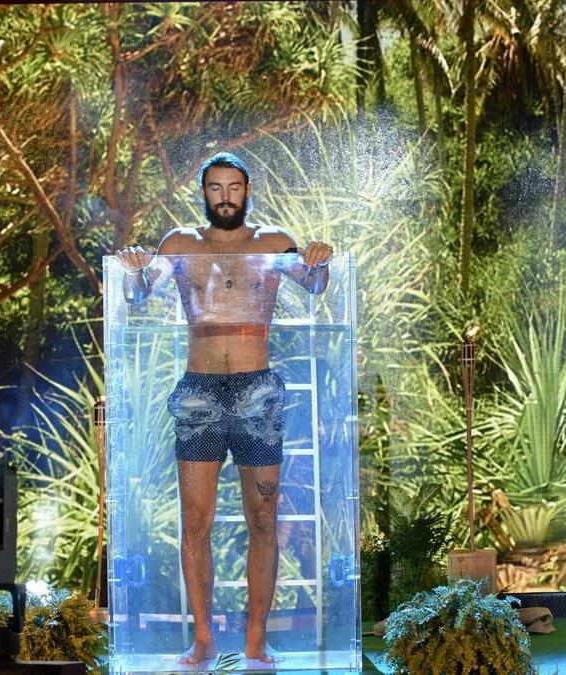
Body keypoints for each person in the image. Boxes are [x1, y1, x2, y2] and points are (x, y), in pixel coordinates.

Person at [114, 152, 334, 665]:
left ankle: (257, 639)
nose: (225, 197)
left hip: (258, 392)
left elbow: (315, 284)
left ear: (247, 190)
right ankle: (203, 640)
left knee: (263, 518)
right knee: (195, 521)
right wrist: (134, 271)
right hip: (200, 392)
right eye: (216, 188)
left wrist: (319, 261)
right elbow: (140, 292)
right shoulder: (180, 243)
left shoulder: (273, 242)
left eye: (234, 187)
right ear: (204, 193)